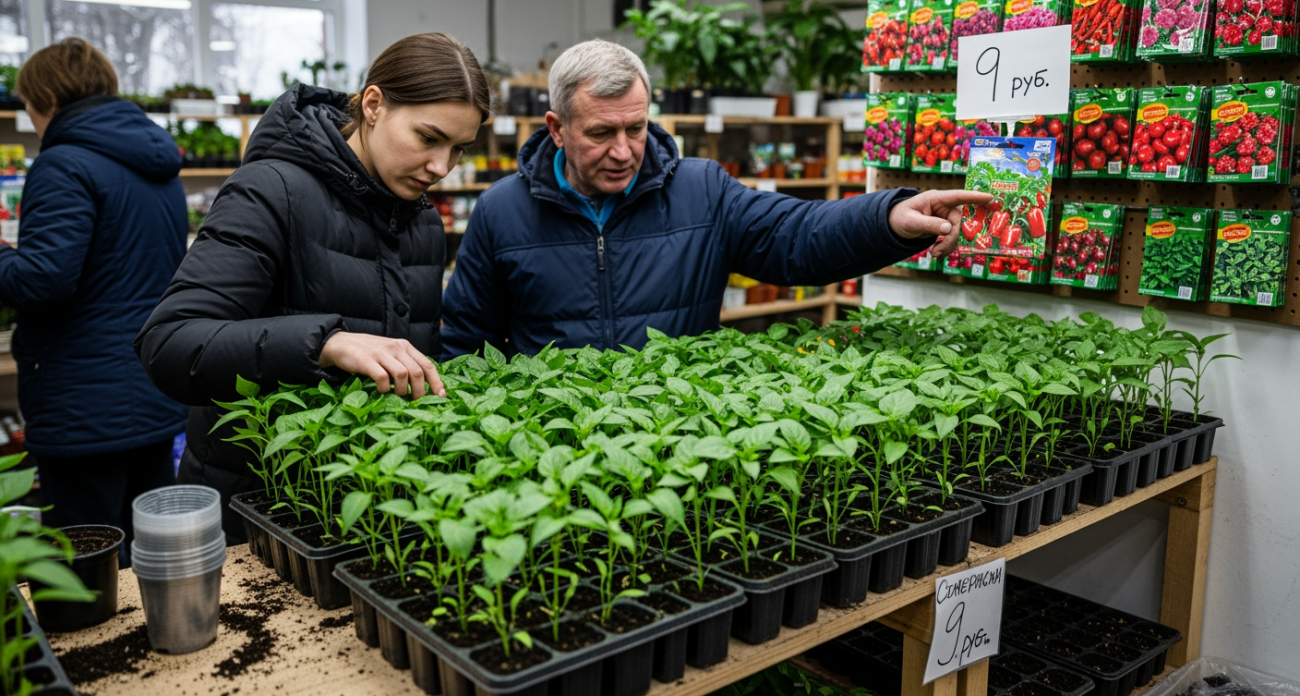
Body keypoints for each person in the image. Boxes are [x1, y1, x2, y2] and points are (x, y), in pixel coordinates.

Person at [135, 33, 490, 540]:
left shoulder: (421, 223)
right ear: (373, 105)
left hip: (367, 513)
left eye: (458, 149)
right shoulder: (271, 191)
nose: (441, 167)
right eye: (428, 138)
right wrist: (326, 342)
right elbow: (169, 343)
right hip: (259, 512)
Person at [442, 40, 990, 357]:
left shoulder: (701, 190)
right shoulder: (502, 211)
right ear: (557, 129)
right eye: (601, 134)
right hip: (558, 451)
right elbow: (466, 340)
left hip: (681, 435)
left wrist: (890, 216)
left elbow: (799, 236)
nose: (624, 150)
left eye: (636, 128)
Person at [0, 38, 189, 553]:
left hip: (82, 404)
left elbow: (44, 281)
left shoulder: (63, 164)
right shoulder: (160, 165)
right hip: (150, 385)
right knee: (147, 549)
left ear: (48, 100)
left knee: (87, 564)